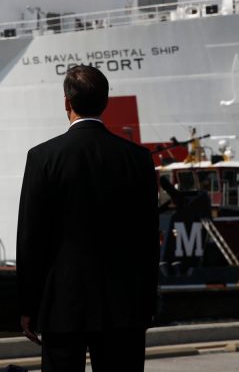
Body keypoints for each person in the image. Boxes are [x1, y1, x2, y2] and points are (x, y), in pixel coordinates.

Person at [17, 65, 158, 372]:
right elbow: (149, 238)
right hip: (124, 306)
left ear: (67, 102)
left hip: (62, 306)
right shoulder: (138, 159)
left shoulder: (42, 157)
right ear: (105, 102)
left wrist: (28, 306)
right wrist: (147, 305)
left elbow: (32, 238)